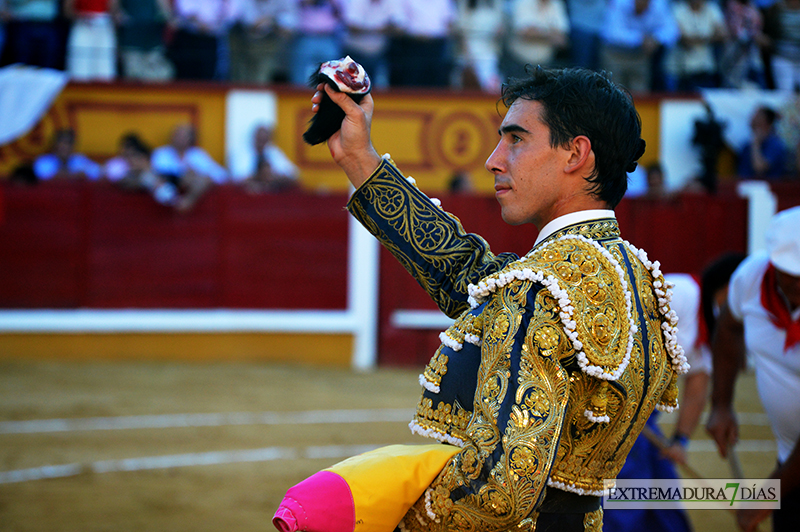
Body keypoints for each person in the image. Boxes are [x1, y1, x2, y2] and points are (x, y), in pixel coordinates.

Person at [310, 65, 687, 530]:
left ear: (575, 154)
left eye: (516, 139)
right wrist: (358, 158)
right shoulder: (635, 277)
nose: (493, 159)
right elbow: (470, 279)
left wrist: (384, 520)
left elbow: (496, 492)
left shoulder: (537, 289)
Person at [604, 252, 746, 532]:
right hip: (617, 413)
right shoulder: (680, 292)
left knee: (663, 493)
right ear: (731, 287)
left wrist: (680, 440)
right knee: (626, 498)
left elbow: (697, 383)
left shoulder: (714, 323)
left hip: (644, 419)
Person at [706, 206, 800, 532]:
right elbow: (729, 329)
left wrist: (767, 494)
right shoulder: (751, 277)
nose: (797, 285)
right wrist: (720, 404)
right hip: (791, 466)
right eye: (791, 276)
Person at [601, 0, 680, 92]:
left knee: (641, 94)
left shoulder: (658, 4)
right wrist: (641, 39)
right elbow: (611, 33)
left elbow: (672, 30)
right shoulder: (619, 3)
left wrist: (655, 39)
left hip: (640, 56)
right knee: (614, 93)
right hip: (615, 55)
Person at [151, 123, 227, 211]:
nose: (179, 138)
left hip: (193, 187)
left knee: (202, 180)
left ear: (191, 138)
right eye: (177, 135)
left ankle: (187, 202)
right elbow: (158, 173)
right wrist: (183, 173)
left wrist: (197, 173)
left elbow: (221, 175)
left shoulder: (198, 154)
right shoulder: (161, 153)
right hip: (168, 188)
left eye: (184, 136)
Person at [670, 0, 728, 92]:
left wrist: (697, 38)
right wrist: (708, 37)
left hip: (706, 68)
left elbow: (722, 35)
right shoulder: (678, 9)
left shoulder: (712, 8)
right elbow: (683, 39)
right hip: (682, 72)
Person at [232, 124, 300, 193]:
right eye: (259, 139)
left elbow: (294, 174)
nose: (261, 143)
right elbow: (237, 177)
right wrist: (260, 176)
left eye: (264, 140)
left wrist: (273, 177)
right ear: (254, 138)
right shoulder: (242, 152)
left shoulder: (273, 152)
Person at [63, 0, 120, 81]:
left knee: (104, 65)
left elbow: (114, 9)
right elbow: (67, 10)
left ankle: (103, 89)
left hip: (103, 25)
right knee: (79, 63)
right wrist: (82, 16)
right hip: (81, 25)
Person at [737, 105, 788, 179]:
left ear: (767, 121)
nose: (752, 118)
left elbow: (759, 168)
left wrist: (756, 144)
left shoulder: (775, 145)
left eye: (757, 115)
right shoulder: (746, 145)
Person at [33, 128, 101, 180]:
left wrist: (84, 174)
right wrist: (76, 175)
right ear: (55, 145)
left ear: (73, 146)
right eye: (61, 143)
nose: (64, 147)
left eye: (68, 143)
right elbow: (44, 175)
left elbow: (97, 172)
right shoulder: (43, 161)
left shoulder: (79, 159)